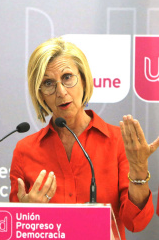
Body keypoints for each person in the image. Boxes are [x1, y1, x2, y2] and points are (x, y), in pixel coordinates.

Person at [9, 37, 159, 239]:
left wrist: (140, 170)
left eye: (68, 77)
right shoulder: (25, 150)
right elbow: (13, 230)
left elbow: (136, 223)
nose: (61, 92)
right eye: (48, 83)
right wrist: (27, 215)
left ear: (84, 79)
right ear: (40, 94)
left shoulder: (116, 142)